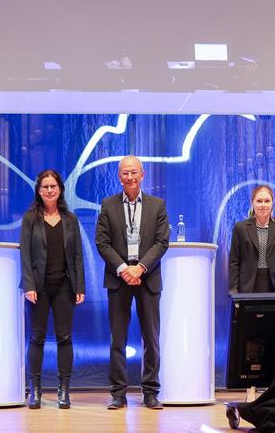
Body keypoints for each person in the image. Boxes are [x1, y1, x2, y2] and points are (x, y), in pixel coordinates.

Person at [95, 155, 169, 410]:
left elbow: (162, 242)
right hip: (119, 278)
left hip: (148, 278)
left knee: (151, 338)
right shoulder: (108, 205)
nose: (130, 177)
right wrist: (124, 268)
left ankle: (150, 392)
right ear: (119, 177)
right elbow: (102, 243)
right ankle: (118, 393)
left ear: (142, 175)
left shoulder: (157, 205)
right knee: (118, 339)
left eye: (134, 172)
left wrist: (141, 268)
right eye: (125, 173)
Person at [20, 169, 86, 409]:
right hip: (37, 288)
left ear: (60, 190)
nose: (49, 190)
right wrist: (28, 284)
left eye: (53, 186)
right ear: (39, 190)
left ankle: (63, 390)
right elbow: (25, 255)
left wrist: (79, 285)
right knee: (36, 338)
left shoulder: (71, 219)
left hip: (64, 287)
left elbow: (78, 256)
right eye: (45, 187)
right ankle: (35, 390)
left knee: (65, 338)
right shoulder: (30, 218)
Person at [228, 184, 275, 293]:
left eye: (267, 201)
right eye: (259, 201)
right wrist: (233, 288)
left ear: (273, 203)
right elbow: (234, 262)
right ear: (252, 203)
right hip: (247, 285)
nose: (263, 205)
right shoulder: (241, 228)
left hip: (274, 285)